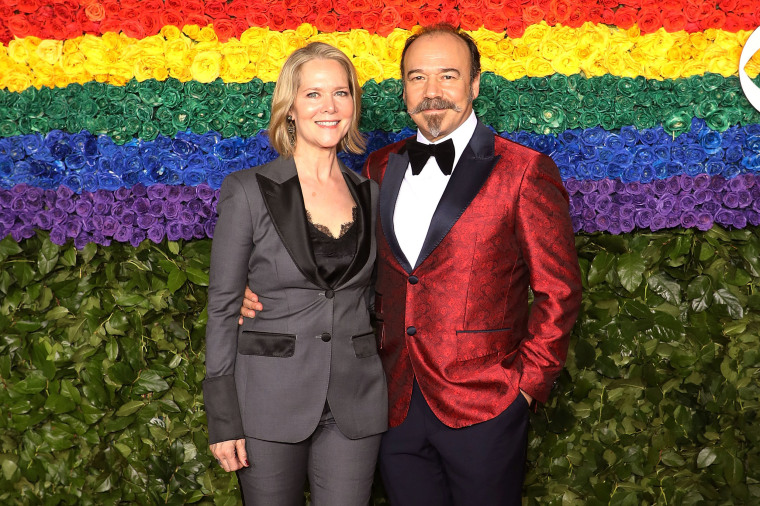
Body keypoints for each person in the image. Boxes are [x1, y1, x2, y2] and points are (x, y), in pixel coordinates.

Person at [242, 24, 582, 505]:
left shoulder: (524, 170)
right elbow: (340, 267)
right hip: (393, 400)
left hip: (486, 403)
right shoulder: (379, 167)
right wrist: (251, 293)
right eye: (418, 78)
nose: (433, 92)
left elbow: (560, 290)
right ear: (403, 87)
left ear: (475, 84)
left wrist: (526, 387)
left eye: (448, 75)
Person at [203, 41, 387, 506]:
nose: (329, 107)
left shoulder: (372, 193)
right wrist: (223, 418)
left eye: (341, 94)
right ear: (289, 108)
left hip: (356, 402)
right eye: (313, 94)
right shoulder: (247, 190)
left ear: (353, 105)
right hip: (267, 401)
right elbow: (223, 308)